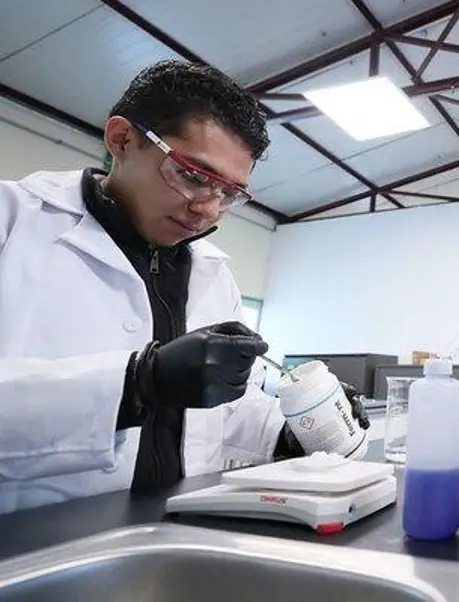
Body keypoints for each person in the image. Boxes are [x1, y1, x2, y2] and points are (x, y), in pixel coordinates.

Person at [0, 60, 368, 513]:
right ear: (122, 140)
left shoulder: (213, 275)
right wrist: (137, 382)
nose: (208, 210)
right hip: (26, 543)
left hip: (172, 529)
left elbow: (219, 415)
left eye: (229, 193)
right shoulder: (12, 223)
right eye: (193, 175)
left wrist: (291, 431)